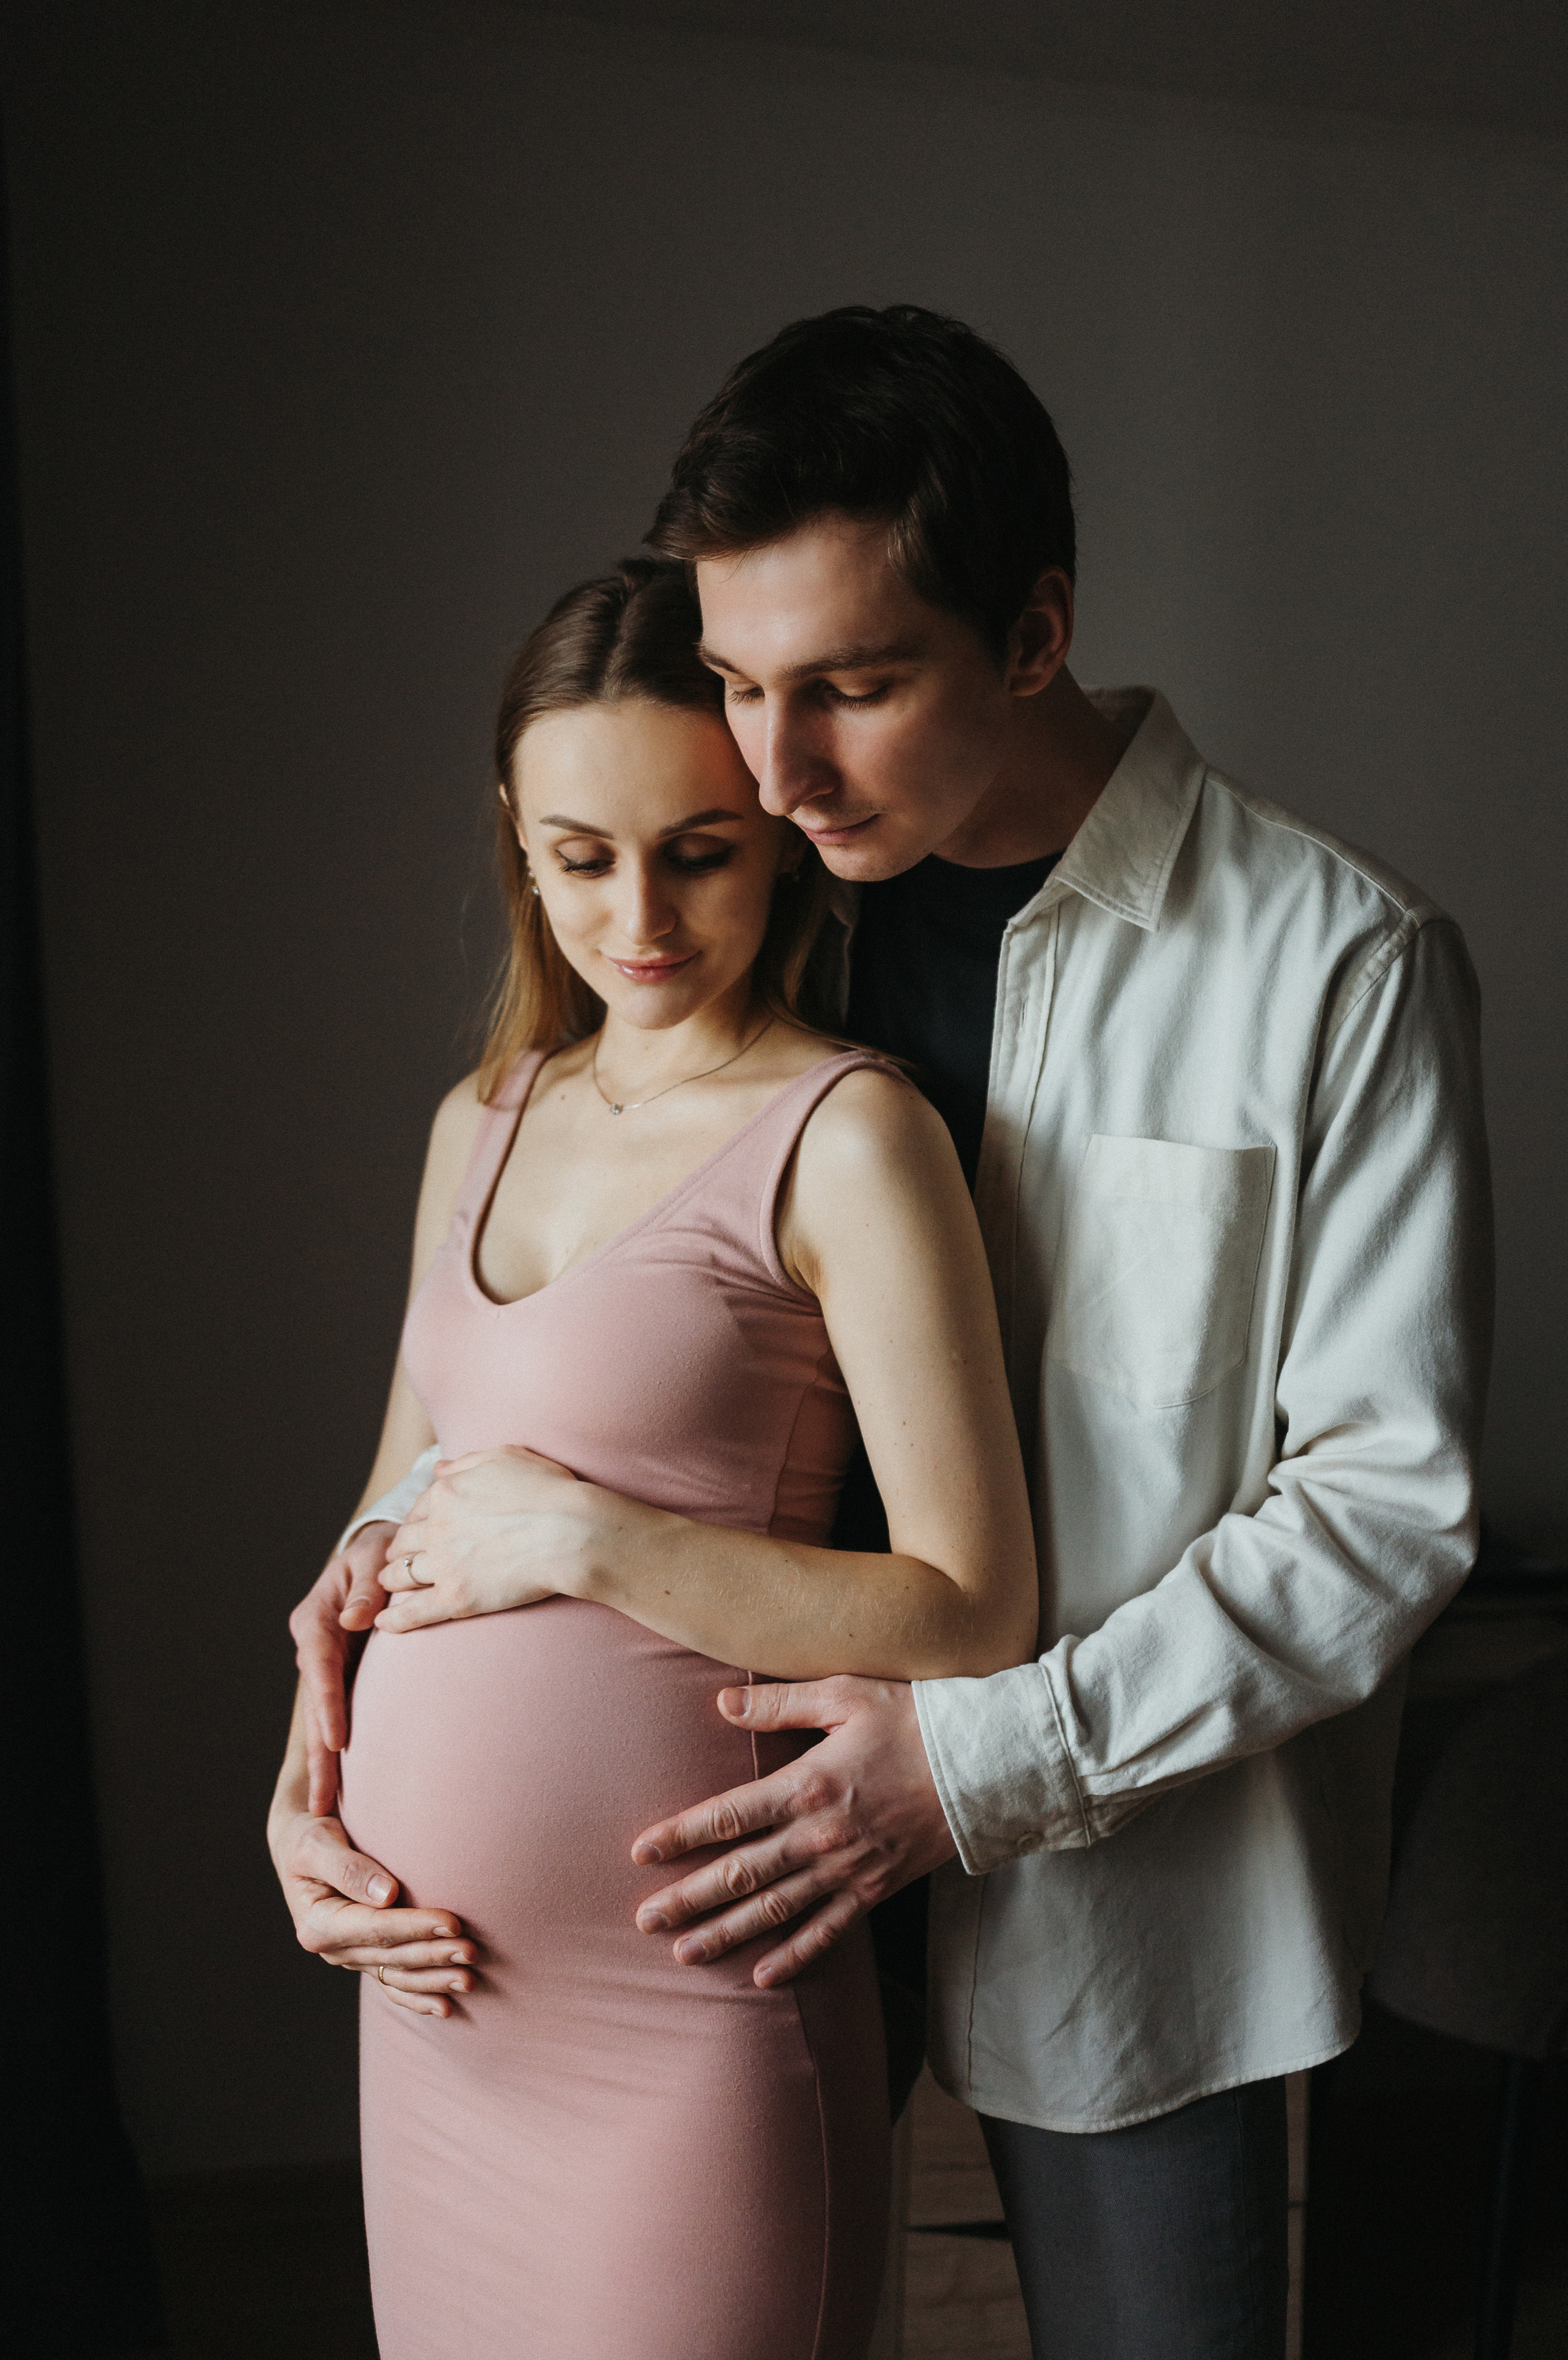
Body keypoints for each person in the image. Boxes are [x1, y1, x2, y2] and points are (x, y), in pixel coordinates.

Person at [281, 308, 1493, 2360]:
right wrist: (334, 1717)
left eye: (849, 686)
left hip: (1116, 1880)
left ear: (1033, 636)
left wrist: (976, 1768)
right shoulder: (749, 897)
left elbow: (1384, 1509)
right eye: (742, 684)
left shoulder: (1330, 965)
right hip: (690, 1911)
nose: (773, 766)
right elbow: (517, 1387)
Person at [266, 553, 1039, 2360]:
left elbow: (975, 1608)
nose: (641, 917)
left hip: (686, 2016)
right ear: (518, 842)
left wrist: (592, 1541)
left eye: (698, 850)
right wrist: (303, 1795)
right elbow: (390, 1520)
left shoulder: (849, 1134)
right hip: (436, 2019)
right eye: (581, 856)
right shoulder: (479, 1120)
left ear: (776, 832)